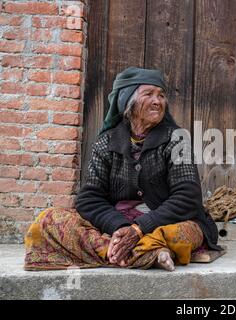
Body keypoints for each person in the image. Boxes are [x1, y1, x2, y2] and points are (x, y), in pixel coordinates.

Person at [24, 67, 222, 271]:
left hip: (165, 222)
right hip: (118, 225)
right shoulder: (106, 143)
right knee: (49, 220)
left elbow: (188, 198)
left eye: (161, 95)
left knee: (181, 232)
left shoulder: (176, 139)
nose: (158, 101)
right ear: (128, 101)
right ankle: (144, 252)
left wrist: (140, 228)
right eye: (149, 94)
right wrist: (121, 227)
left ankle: (117, 251)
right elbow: (89, 199)